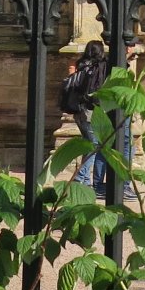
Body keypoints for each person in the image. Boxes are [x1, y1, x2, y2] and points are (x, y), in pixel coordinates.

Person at [61, 41, 111, 193]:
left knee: (88, 144)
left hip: (78, 111)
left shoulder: (80, 65)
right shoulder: (98, 68)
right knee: (93, 146)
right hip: (90, 112)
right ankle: (80, 178)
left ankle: (86, 179)